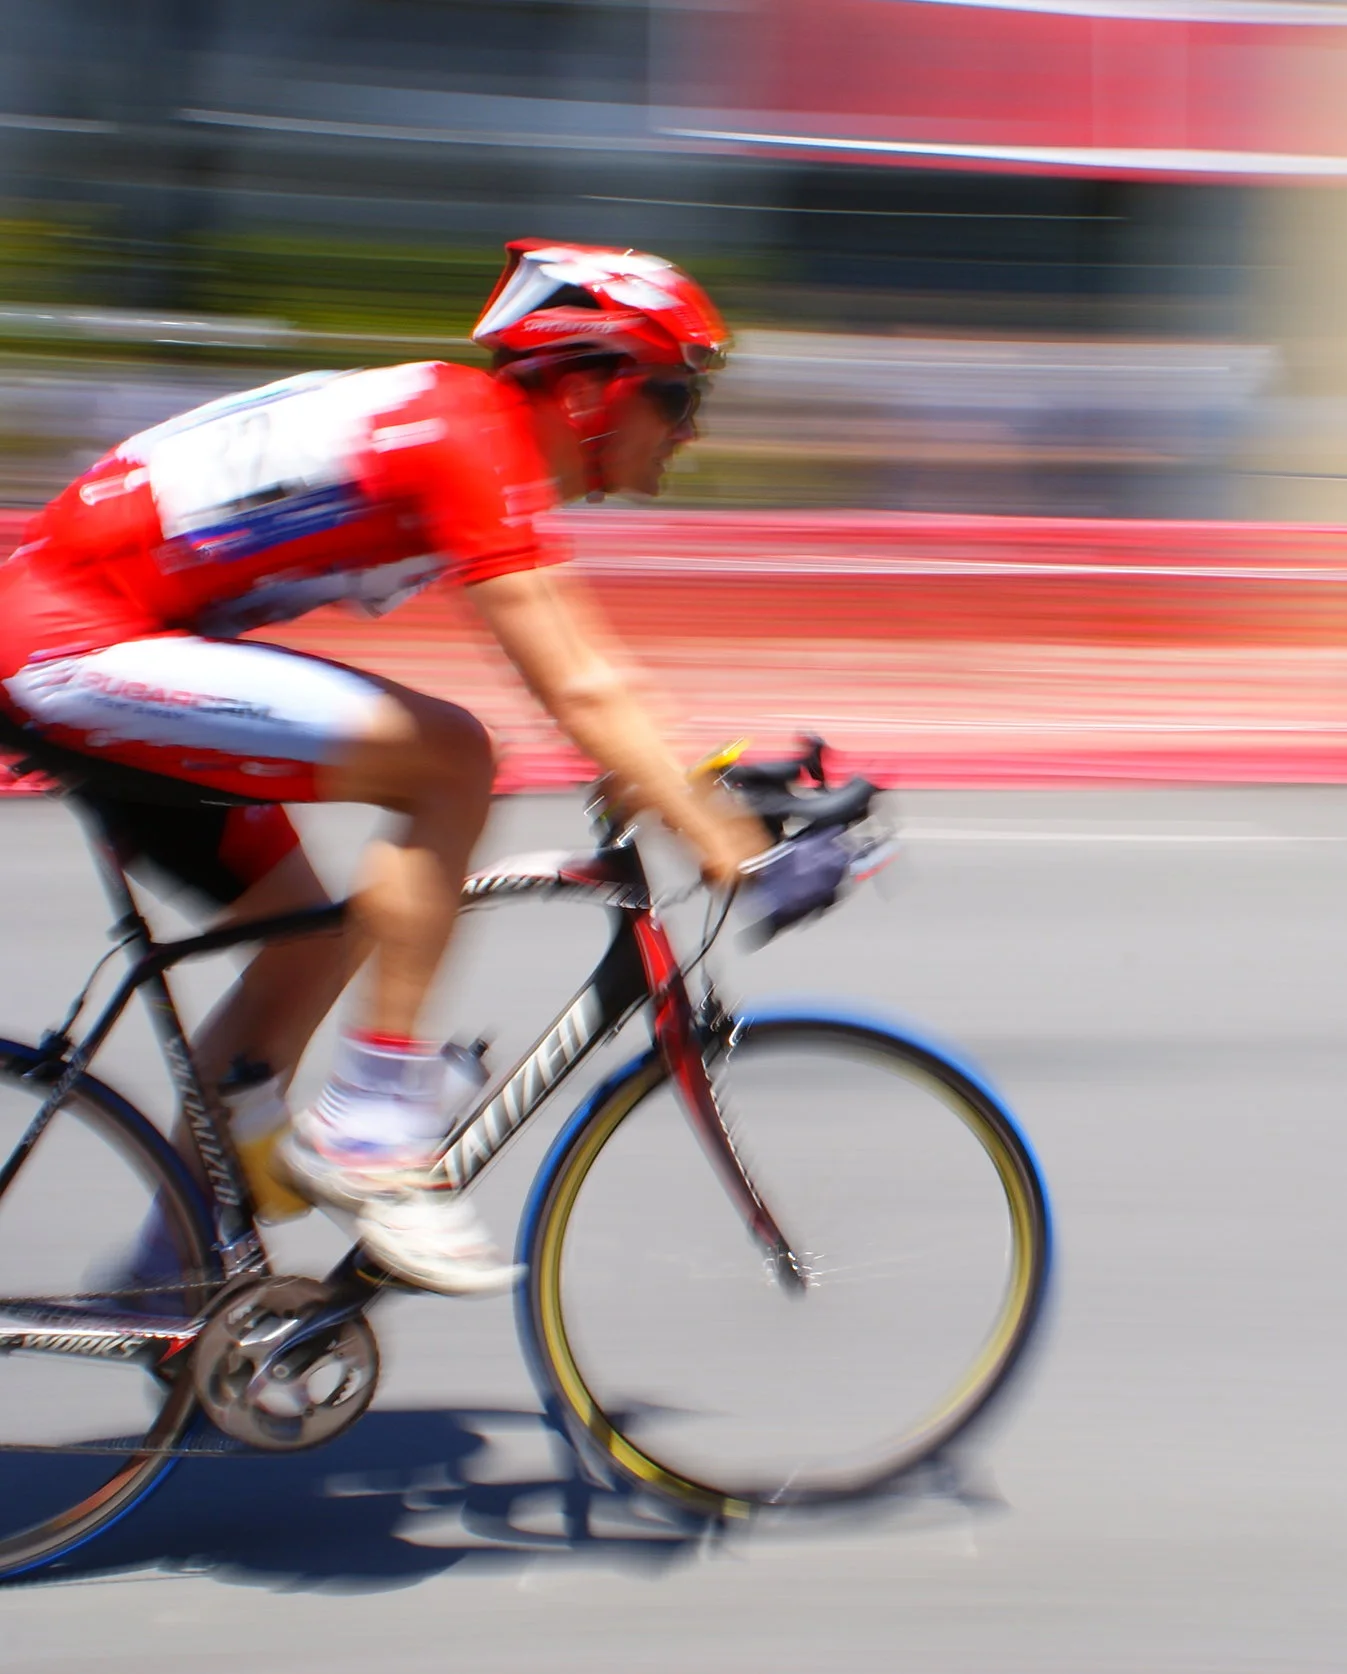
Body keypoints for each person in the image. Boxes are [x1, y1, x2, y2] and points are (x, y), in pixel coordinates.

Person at [0, 241, 770, 1293]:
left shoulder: (462, 430)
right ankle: (372, 1131)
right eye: (676, 397)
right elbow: (575, 685)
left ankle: (172, 1281)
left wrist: (676, 776)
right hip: (68, 645)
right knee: (451, 762)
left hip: (99, 636)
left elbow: (586, 668)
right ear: (590, 387)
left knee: (315, 946)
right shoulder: (465, 436)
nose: (690, 430)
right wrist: (714, 830)